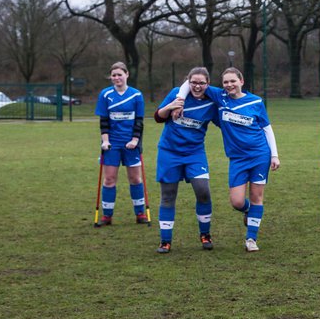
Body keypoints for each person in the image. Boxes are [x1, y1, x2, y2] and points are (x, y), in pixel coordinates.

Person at [179, 67, 281, 252]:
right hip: (237, 159)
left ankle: (251, 239)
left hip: (259, 155)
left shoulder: (256, 101)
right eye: (225, 82)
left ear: (241, 81)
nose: (229, 85)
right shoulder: (220, 97)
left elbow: (267, 128)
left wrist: (274, 154)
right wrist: (179, 99)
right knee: (237, 202)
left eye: (233, 81)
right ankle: (249, 212)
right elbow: (190, 81)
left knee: (257, 196)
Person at [153, 67, 218, 252]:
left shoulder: (212, 103)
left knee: (203, 190)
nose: (197, 86)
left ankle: (205, 235)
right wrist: (170, 107)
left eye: (201, 83)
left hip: (195, 153)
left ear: (208, 83)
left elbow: (225, 124)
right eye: (194, 82)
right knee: (168, 195)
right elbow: (158, 117)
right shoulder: (177, 94)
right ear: (188, 81)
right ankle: (165, 241)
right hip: (169, 152)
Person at [94, 61, 147, 226]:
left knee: (135, 178)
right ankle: (107, 216)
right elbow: (104, 121)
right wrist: (105, 141)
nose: (116, 78)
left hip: (131, 143)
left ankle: (140, 214)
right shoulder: (105, 94)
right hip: (112, 144)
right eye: (114, 75)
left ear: (126, 75)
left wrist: (135, 140)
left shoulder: (136, 95)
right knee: (109, 179)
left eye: (119, 74)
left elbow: (139, 121)